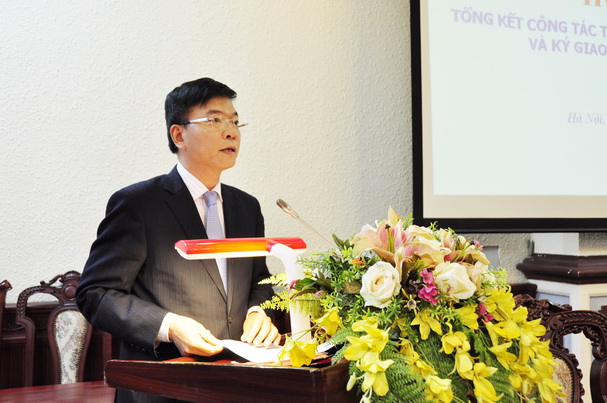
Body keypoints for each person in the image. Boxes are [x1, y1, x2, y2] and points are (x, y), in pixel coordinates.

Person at [77, 77, 280, 402]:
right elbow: (96, 294)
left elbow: (259, 279)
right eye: (215, 120)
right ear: (179, 135)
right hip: (162, 388)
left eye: (234, 121)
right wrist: (169, 325)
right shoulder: (139, 204)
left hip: (237, 384)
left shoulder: (246, 207)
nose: (231, 132)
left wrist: (259, 310)